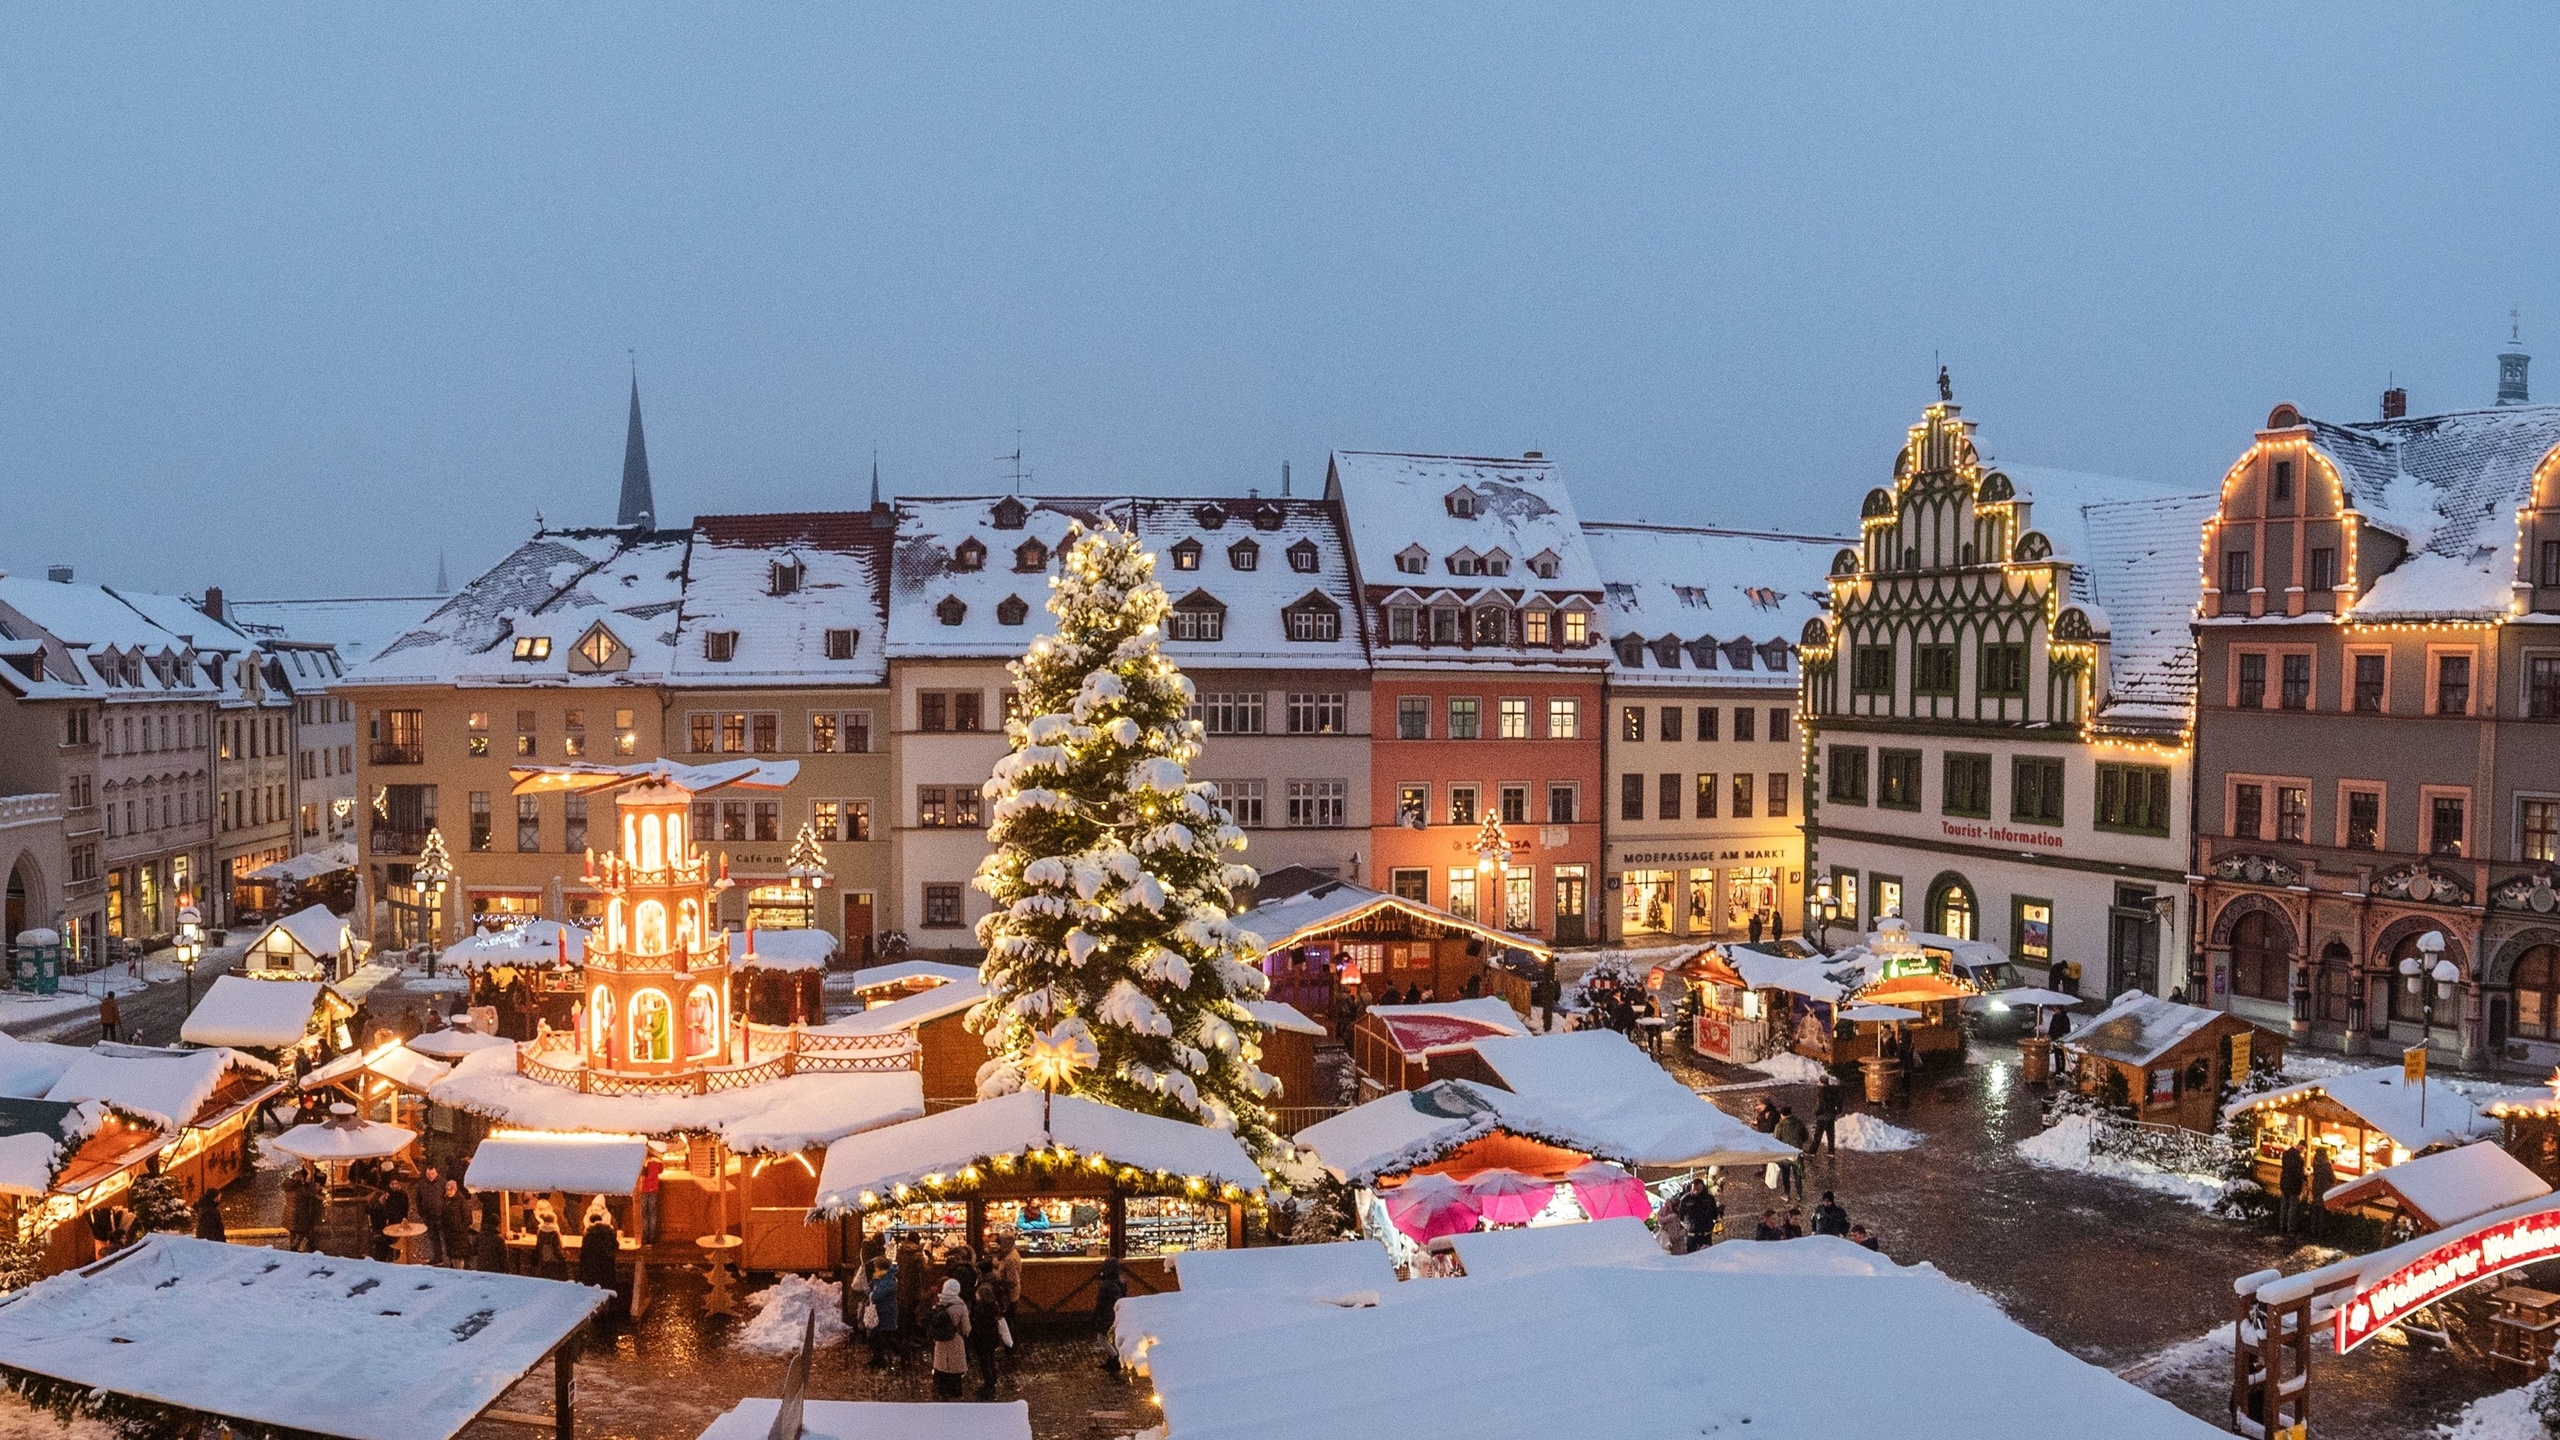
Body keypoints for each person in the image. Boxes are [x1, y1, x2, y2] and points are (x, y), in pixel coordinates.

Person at [928, 1278, 972, 1399]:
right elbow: (966, 1328)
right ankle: (954, 1395)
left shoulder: (938, 1303)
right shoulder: (961, 1306)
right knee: (954, 1369)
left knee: (941, 1367)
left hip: (940, 1341)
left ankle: (941, 1393)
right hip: (955, 1340)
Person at [576, 1205, 620, 1306]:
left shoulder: (589, 1233)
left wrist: (582, 1264)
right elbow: (616, 1245)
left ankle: (594, 1305)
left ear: (591, 1221)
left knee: (594, 1285)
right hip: (607, 1263)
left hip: (592, 1263)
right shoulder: (609, 1231)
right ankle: (608, 1304)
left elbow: (584, 1250)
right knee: (606, 1284)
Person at [969, 1277, 1006, 1399]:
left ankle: (988, 1382)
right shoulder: (994, 1306)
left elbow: (976, 1326)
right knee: (990, 1358)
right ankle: (993, 1378)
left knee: (984, 1362)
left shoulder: (980, 1309)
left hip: (982, 1340)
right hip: (992, 1338)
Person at [865, 1257, 900, 1369]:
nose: (874, 1270)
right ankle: (877, 1359)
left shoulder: (888, 1280)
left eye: (876, 1267)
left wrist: (870, 1293)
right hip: (879, 1312)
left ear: (880, 1268)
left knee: (886, 1338)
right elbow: (870, 1290)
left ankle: (902, 1353)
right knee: (875, 1337)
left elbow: (876, 1295)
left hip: (886, 1313)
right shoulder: (880, 1278)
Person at [1095, 1256, 1129, 1373]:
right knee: (1110, 1337)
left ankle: (1115, 1359)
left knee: (1102, 1337)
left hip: (1108, 1315)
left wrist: (1098, 1315)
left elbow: (1103, 1303)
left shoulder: (1107, 1285)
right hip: (1116, 1313)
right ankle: (1113, 1359)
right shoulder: (1120, 1282)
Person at [896, 1234, 927, 1360]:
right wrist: (930, 1260)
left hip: (902, 1287)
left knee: (904, 1313)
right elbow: (925, 1271)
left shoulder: (901, 1251)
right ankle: (911, 1338)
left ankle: (903, 1339)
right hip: (914, 1288)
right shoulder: (917, 1254)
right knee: (913, 1313)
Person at [1771, 1107, 1809, 1199]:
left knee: (1785, 1174)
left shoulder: (1780, 1125)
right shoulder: (1799, 1123)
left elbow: (1776, 1140)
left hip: (1785, 1153)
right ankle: (1799, 1194)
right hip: (1797, 1152)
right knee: (1797, 1174)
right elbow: (1805, 1136)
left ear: (1782, 1114)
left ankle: (1786, 1193)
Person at [284, 1168, 323, 1253]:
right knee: (302, 1231)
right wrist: (315, 1183)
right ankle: (294, 1247)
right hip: (299, 1213)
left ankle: (292, 1246)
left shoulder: (289, 1187)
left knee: (292, 1231)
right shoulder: (301, 1189)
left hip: (289, 1212)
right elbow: (311, 1193)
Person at [414, 1166, 446, 1266]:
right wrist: (421, 1213)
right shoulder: (422, 1184)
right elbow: (418, 1199)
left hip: (442, 1216)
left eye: (432, 1174)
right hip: (428, 1217)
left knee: (446, 1238)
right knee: (433, 1238)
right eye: (428, 1174)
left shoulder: (443, 1183)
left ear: (436, 1173)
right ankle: (438, 1258)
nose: (431, 1176)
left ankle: (451, 1258)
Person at [439, 1177, 474, 1268]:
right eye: (447, 1190)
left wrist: (460, 1229)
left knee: (459, 1258)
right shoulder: (445, 1200)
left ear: (455, 1190)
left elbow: (468, 1219)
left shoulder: (462, 1202)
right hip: (449, 1235)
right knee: (452, 1256)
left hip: (459, 1236)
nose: (449, 1192)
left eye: (451, 1190)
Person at [1680, 1178, 1721, 1251]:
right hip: (1692, 1235)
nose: (1695, 1192)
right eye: (1694, 1189)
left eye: (1698, 1189)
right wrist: (1687, 1225)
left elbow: (1715, 1213)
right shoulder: (1686, 1199)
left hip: (1705, 1235)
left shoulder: (1709, 1198)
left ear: (1702, 1187)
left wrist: (1711, 1224)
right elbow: (1681, 1215)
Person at [2278, 1139, 2306, 1237]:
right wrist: (2306, 1176)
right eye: (2304, 1150)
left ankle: (2282, 1226)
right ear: (2301, 1148)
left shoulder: (2286, 1154)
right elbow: (2300, 1174)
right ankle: (2290, 1229)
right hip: (2294, 1185)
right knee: (2292, 1208)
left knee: (2284, 1205)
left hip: (2284, 1183)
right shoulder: (2299, 1160)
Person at [531, 1202, 566, 1279]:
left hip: (543, 1260)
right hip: (554, 1261)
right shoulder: (554, 1233)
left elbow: (538, 1247)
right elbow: (557, 1249)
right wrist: (563, 1258)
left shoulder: (540, 1231)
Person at [1811, 1072, 1843, 1155]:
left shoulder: (1821, 1092)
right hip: (1831, 1115)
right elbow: (1839, 1101)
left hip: (1823, 1116)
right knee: (1830, 1134)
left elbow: (1820, 1105)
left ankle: (1812, 1151)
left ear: (1821, 1082)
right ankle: (1831, 1151)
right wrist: (1838, 1110)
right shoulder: (1833, 1090)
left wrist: (1816, 1113)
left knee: (1818, 1134)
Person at [2308, 1146, 2335, 1240]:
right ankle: (2320, 1233)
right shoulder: (2327, 1164)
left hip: (2316, 1188)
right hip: (2325, 1189)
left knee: (2315, 1209)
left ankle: (2313, 1230)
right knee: (2322, 1211)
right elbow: (2332, 1178)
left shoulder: (2315, 1162)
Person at [638, 1155, 663, 1244]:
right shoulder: (656, 1162)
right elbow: (661, 1170)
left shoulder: (642, 1162)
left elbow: (641, 1174)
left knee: (645, 1215)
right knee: (652, 1215)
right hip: (654, 1190)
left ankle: (645, 1238)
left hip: (644, 1190)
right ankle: (652, 1239)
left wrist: (645, 1164)